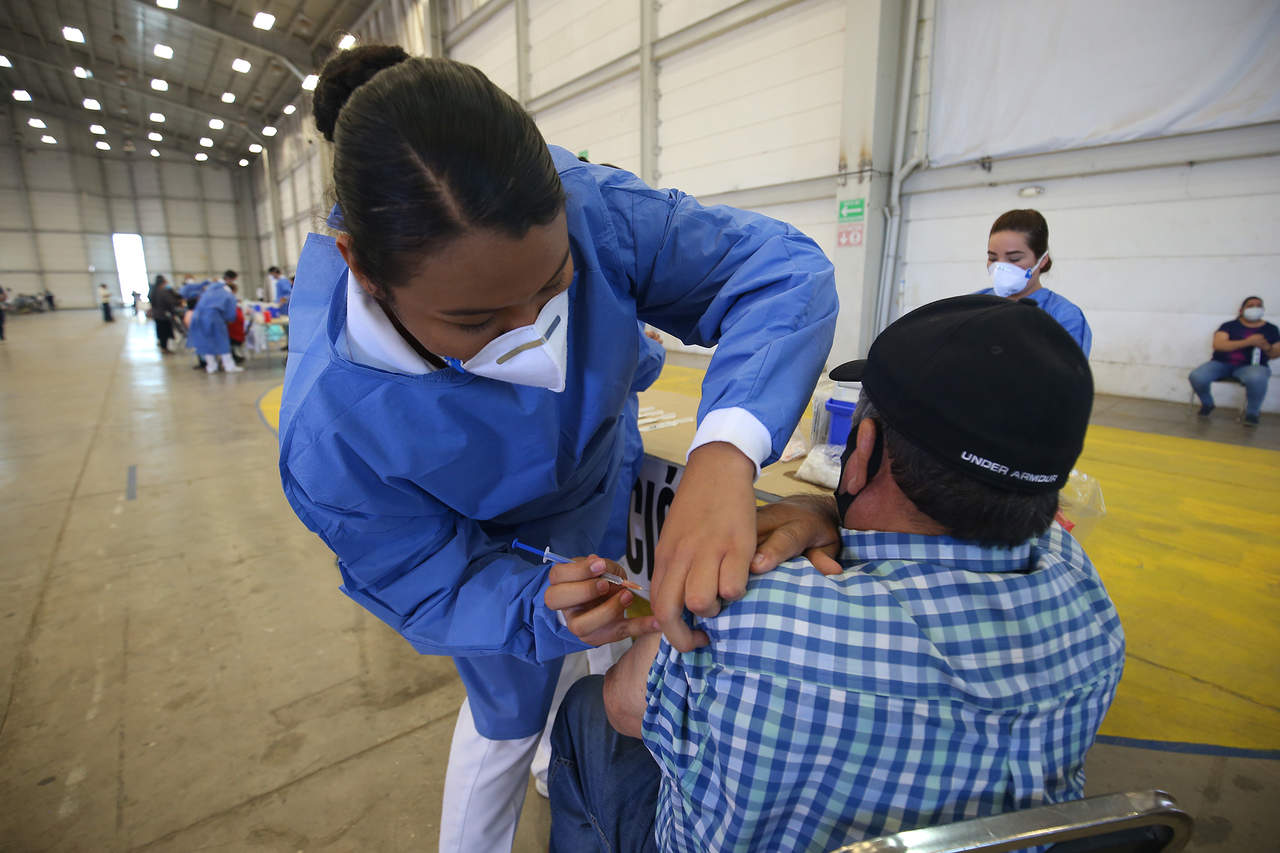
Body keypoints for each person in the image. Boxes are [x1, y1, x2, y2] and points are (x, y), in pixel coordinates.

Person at [276, 45, 837, 853]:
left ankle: (562, 761)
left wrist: (726, 451)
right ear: (363, 270)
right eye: (475, 321)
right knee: (507, 716)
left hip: (603, 486)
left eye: (554, 285)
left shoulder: (595, 210)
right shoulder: (332, 431)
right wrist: (527, 602)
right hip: (491, 555)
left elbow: (779, 274)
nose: (534, 340)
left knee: (602, 667)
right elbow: (421, 576)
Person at [546, 294, 1125, 853]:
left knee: (586, 710)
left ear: (861, 447)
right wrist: (826, 512)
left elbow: (624, 704)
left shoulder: (761, 610)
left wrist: (818, 510)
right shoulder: (1083, 590)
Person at [980, 209, 1091, 356]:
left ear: (1042, 260)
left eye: (1014, 259)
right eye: (993, 258)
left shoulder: (1064, 316)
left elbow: (1067, 368)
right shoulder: (975, 304)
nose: (1000, 267)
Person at [1188, 296, 1279, 427]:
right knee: (1197, 376)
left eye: (1258, 305)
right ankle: (1207, 404)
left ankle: (1252, 413)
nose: (1255, 308)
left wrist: (1266, 347)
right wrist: (1249, 342)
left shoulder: (1271, 329)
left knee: (1257, 378)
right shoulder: (1229, 326)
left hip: (1253, 366)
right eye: (1250, 305)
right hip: (1221, 363)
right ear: (1241, 310)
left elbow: (1275, 353)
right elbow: (1219, 345)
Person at [186, 273, 244, 374]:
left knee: (207, 342)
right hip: (214, 319)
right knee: (222, 342)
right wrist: (228, 320)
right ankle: (229, 366)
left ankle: (211, 366)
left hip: (198, 318)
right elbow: (231, 314)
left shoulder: (208, 292)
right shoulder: (228, 295)